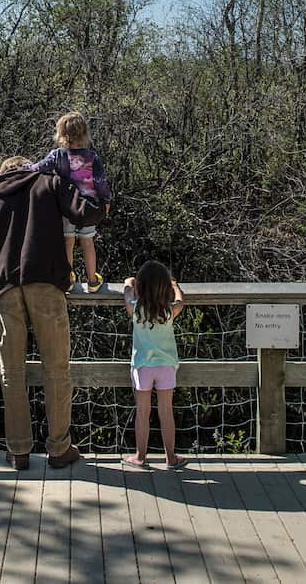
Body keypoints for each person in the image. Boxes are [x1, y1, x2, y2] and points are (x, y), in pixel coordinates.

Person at [0, 155, 105, 470]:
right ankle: (59, 448)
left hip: (6, 289)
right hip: (46, 284)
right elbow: (84, 214)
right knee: (57, 370)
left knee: (12, 374)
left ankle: (19, 451)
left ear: (3, 172)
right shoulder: (49, 183)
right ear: (29, 166)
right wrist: (100, 194)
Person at [25, 111, 113, 292]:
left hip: (66, 208)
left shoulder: (57, 155)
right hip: (87, 207)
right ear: (84, 133)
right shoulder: (92, 157)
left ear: (62, 135)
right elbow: (100, 183)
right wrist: (106, 199)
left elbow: (36, 169)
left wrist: (22, 167)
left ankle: (68, 279)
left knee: (68, 242)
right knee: (88, 242)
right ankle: (92, 281)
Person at [122, 260, 188, 469]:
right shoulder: (168, 312)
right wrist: (175, 286)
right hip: (166, 365)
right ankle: (171, 457)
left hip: (142, 366)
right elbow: (180, 301)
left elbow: (126, 288)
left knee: (143, 412)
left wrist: (132, 281)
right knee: (166, 412)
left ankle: (140, 457)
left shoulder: (136, 310)